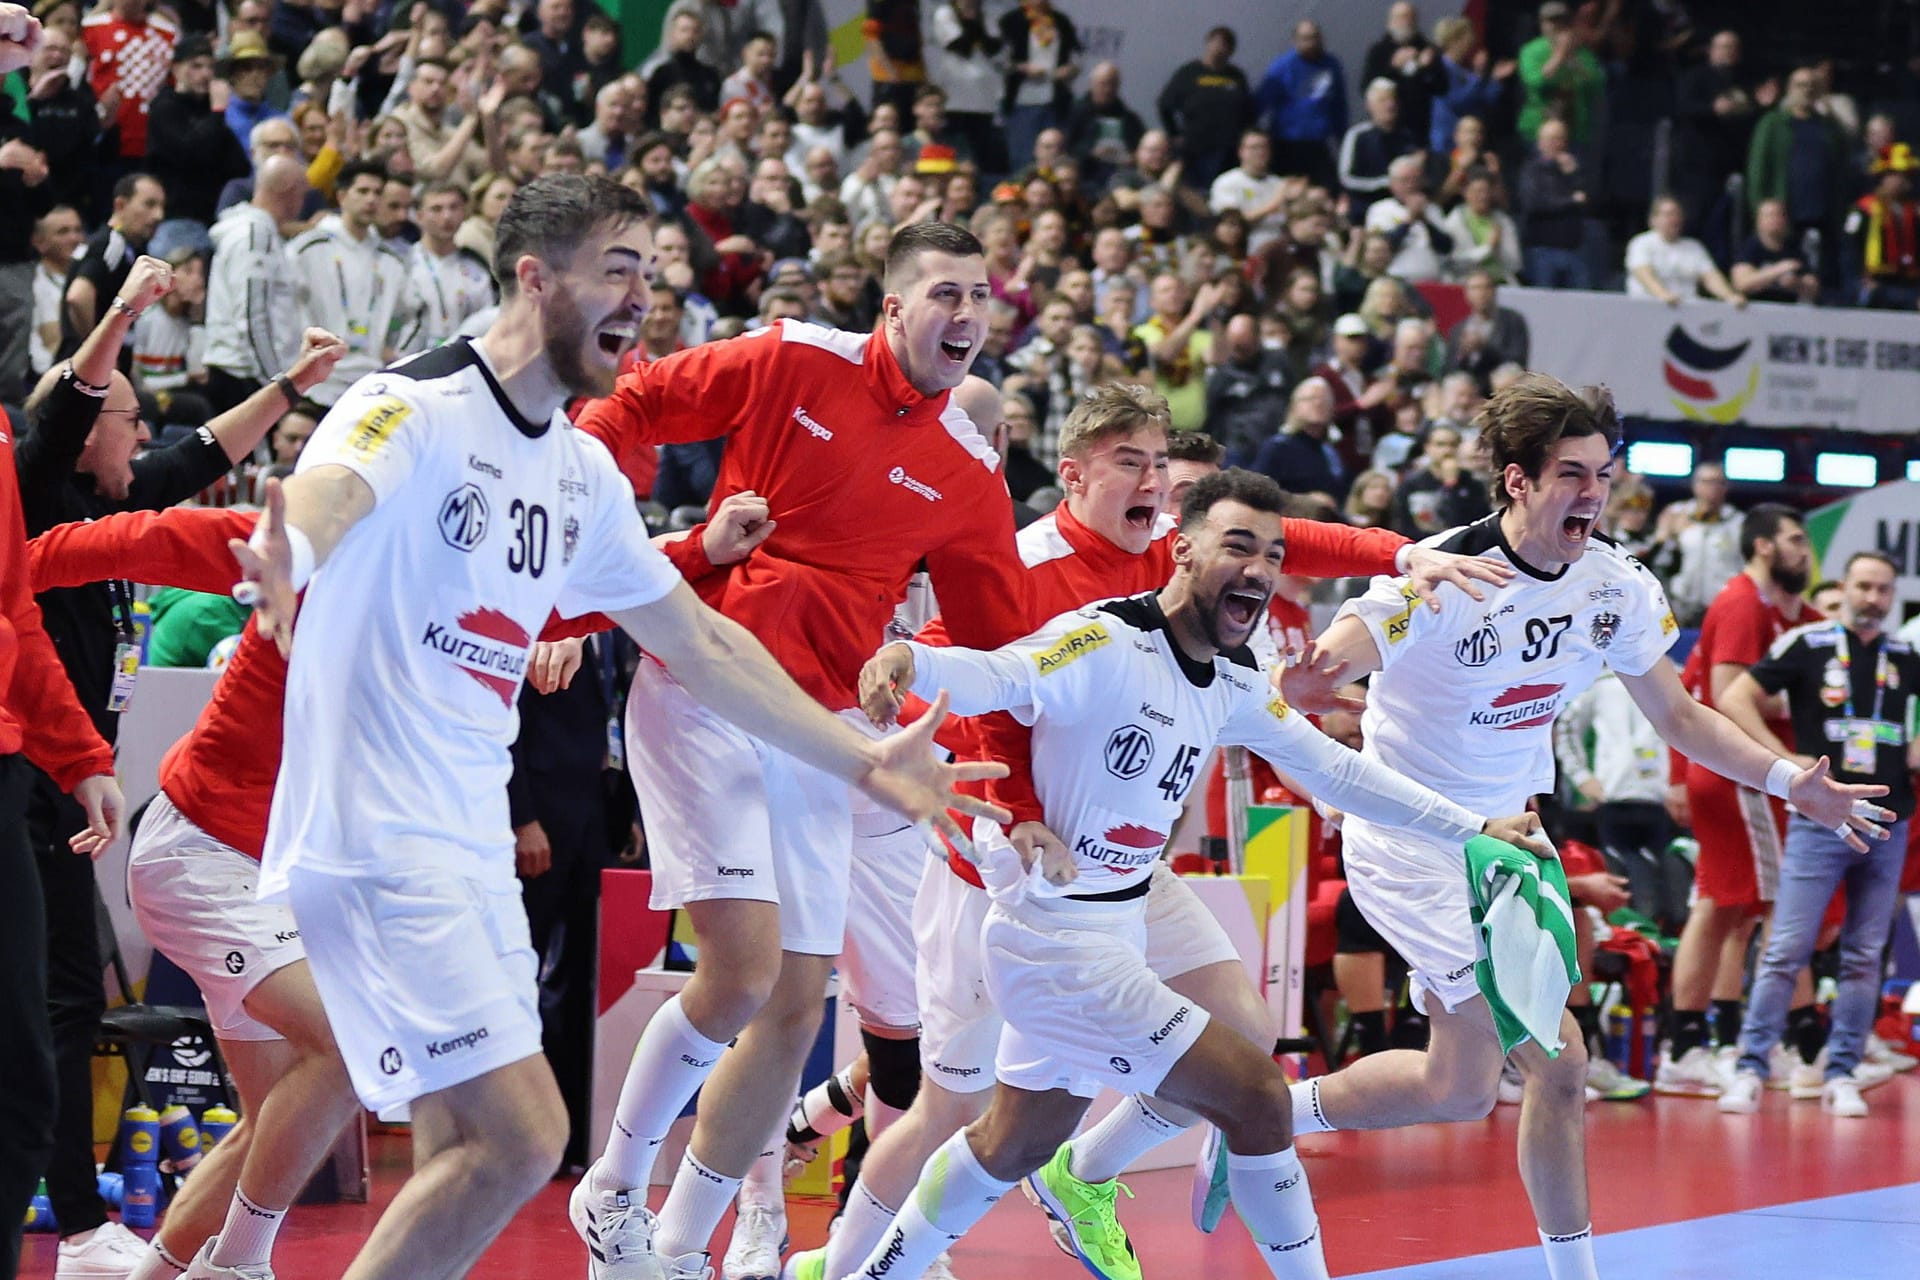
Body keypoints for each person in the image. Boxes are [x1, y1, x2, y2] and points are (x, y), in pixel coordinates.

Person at [229, 176, 1001, 1280]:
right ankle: (636, 1216)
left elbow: (704, 639)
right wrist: (287, 554)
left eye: (649, 272)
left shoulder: (579, 470)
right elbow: (333, 492)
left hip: (471, 849)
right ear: (536, 277)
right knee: (525, 1135)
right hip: (378, 834)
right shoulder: (413, 401)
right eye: (616, 270)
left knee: (463, 1151)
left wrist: (868, 760)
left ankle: (229, 1261)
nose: (641, 298)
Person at [788, 384, 1511, 1280]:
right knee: (1250, 1097)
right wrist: (907, 661)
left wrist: (1476, 828)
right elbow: (996, 672)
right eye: (1235, 548)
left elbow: (1338, 771)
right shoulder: (1093, 633)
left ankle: (877, 1270)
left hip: (1117, 915)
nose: (1256, 569)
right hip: (1032, 919)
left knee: (1012, 1140)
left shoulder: (1233, 679)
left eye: (1269, 556)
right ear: (1179, 544)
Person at [1285, 374, 1891, 1280]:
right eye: (1572, 474)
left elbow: (1681, 719)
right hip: (1412, 843)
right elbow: (1324, 670)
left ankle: (1266, 1113)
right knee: (1560, 1063)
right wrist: (1309, 682)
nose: (1594, 495)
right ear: (1518, 480)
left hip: (1511, 847)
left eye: (1604, 474)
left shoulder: (1615, 586)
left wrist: (1787, 782)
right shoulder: (1444, 576)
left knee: (1456, 1090)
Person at [566, 221, 1038, 1280]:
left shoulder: (968, 472)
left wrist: (1006, 723)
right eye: (944, 294)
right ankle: (613, 1188)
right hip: (704, 689)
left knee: (792, 1002)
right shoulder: (793, 355)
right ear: (894, 307)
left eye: (980, 298)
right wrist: (593, 522)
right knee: (739, 972)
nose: (965, 315)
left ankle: (683, 1242)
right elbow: (635, 402)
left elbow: (1000, 640)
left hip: (824, 735)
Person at [17, 252, 341, 1280]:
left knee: (276, 1107)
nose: (143, 438)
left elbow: (197, 453)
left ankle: (160, 1268)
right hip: (162, 829)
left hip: (151, 812)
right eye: (125, 422)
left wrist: (291, 384)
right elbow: (118, 521)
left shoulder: (442, 594)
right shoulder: (40, 479)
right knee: (341, 1052)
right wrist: (6, 572)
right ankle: (169, 1247)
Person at [0, 14, 129, 1276]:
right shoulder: (39, 455)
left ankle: (77, 1224)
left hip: (18, 772)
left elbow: (10, 620)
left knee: (32, 1058)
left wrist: (84, 750)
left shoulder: (6, 457)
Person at [1718, 552, 1919, 1117]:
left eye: (1883, 589)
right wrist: (1783, 762)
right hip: (1821, 817)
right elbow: (1734, 697)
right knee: (1786, 948)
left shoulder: (1906, 655)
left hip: (1888, 819)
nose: (1872, 597)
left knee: (1863, 954)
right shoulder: (1808, 644)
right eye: (1863, 586)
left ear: (1893, 595)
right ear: (1845, 587)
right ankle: (1750, 1068)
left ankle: (1843, 1072)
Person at [1659, 504, 1821, 1096]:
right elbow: (1727, 697)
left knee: (1730, 909)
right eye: (1795, 540)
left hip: (1729, 774)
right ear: (1762, 548)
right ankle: (1798, 1044)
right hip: (1740, 777)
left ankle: (1708, 1042)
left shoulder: (1778, 612)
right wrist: (1787, 740)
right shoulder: (1742, 605)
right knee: (1770, 905)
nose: (1805, 550)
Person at [288, 159, 412, 407]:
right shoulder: (308, 249)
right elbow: (288, 306)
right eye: (363, 191)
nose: (371, 200)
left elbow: (403, 316)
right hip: (317, 381)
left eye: (377, 193)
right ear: (342, 197)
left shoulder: (393, 261)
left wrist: (392, 350)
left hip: (371, 380)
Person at [203, 154, 309, 414]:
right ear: (289, 190)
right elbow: (252, 317)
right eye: (302, 192)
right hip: (243, 377)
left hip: (246, 374)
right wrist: (277, 384)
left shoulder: (262, 232)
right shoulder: (254, 236)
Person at [58, 171, 166, 360]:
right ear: (120, 205)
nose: (159, 215)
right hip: (87, 373)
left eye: (161, 206)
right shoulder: (110, 244)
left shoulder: (127, 247)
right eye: (149, 204)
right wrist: (97, 353)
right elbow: (78, 296)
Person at [397, 181, 499, 352]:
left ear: (464, 212)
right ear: (420, 216)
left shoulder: (477, 268)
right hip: (406, 361)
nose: (446, 216)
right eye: (436, 209)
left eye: (454, 208)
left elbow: (486, 321)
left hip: (460, 363)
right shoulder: (402, 263)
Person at [1155, 26, 1254, 189]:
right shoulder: (1189, 72)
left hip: (1227, 149)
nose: (1220, 49)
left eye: (1226, 45)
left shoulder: (1236, 76)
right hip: (1195, 148)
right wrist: (1174, 134)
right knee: (1196, 190)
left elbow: (1248, 110)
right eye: (1217, 43)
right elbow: (1164, 105)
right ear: (1208, 44)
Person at [1257, 19, 1346, 189]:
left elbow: (1339, 105)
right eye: (1305, 38)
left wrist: (1342, 136)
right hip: (1286, 142)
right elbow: (1262, 101)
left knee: (1326, 189)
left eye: (1314, 38)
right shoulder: (1282, 67)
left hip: (1318, 142)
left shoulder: (1331, 65)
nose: (1311, 43)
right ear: (1295, 41)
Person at [1624, 196, 1746, 307]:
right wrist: (1663, 295)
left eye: (1677, 214)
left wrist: (1729, 296)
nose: (1674, 219)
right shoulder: (1641, 243)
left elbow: (1710, 277)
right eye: (1668, 214)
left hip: (1687, 312)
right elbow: (1644, 275)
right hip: (1648, 309)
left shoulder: (1694, 247)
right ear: (1653, 220)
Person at [1731, 198, 1821, 304]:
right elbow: (1741, 283)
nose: (1774, 220)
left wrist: (1797, 283)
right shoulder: (1750, 248)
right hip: (1755, 310)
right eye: (1769, 216)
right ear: (1759, 221)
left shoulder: (1794, 250)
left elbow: (1813, 286)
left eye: (1778, 215)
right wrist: (1777, 271)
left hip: (1788, 311)